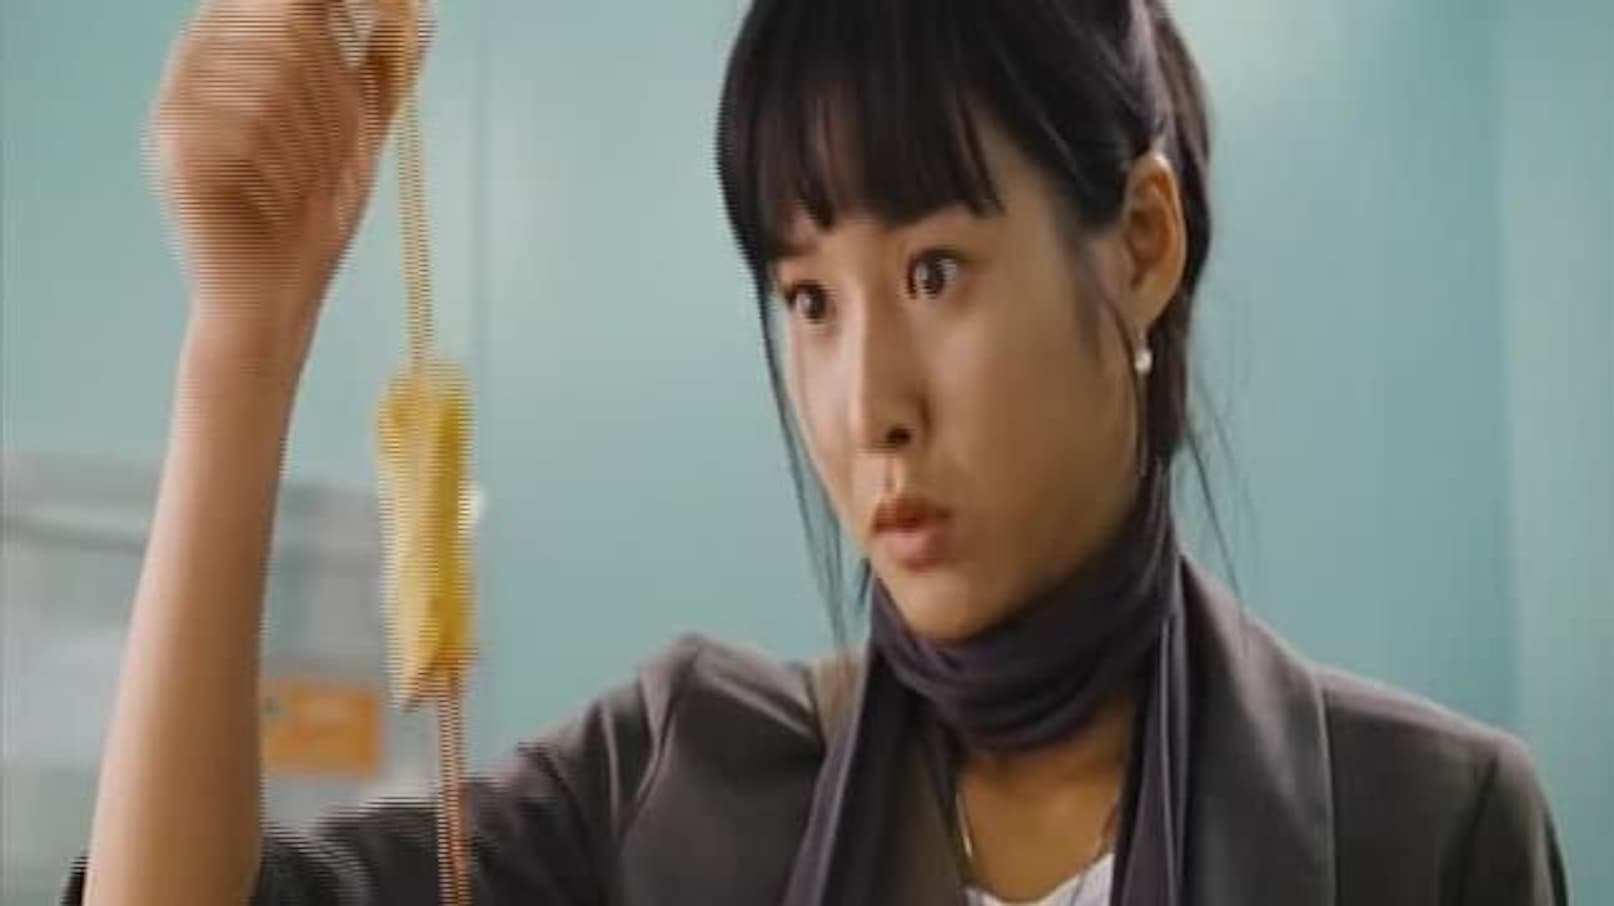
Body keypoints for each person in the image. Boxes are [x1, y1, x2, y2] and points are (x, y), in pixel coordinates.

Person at [67, 0, 1569, 904]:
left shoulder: (1426, 826)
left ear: (1141, 243)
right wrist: (245, 328)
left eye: (933, 271)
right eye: (808, 299)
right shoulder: (677, 775)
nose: (866, 406)